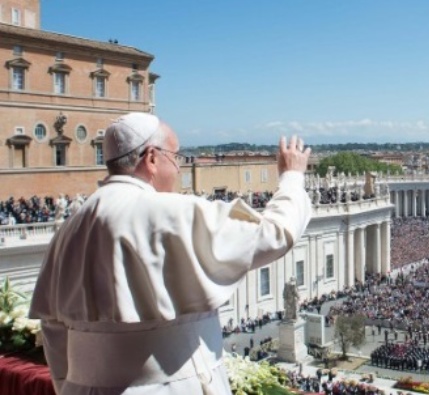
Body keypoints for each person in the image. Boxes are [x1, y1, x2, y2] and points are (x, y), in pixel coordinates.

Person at [29, 112, 313, 395]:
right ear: (151, 158)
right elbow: (274, 234)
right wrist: (291, 177)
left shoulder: (70, 227)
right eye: (176, 157)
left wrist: (74, 386)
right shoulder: (171, 212)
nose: (178, 168)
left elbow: (53, 329)